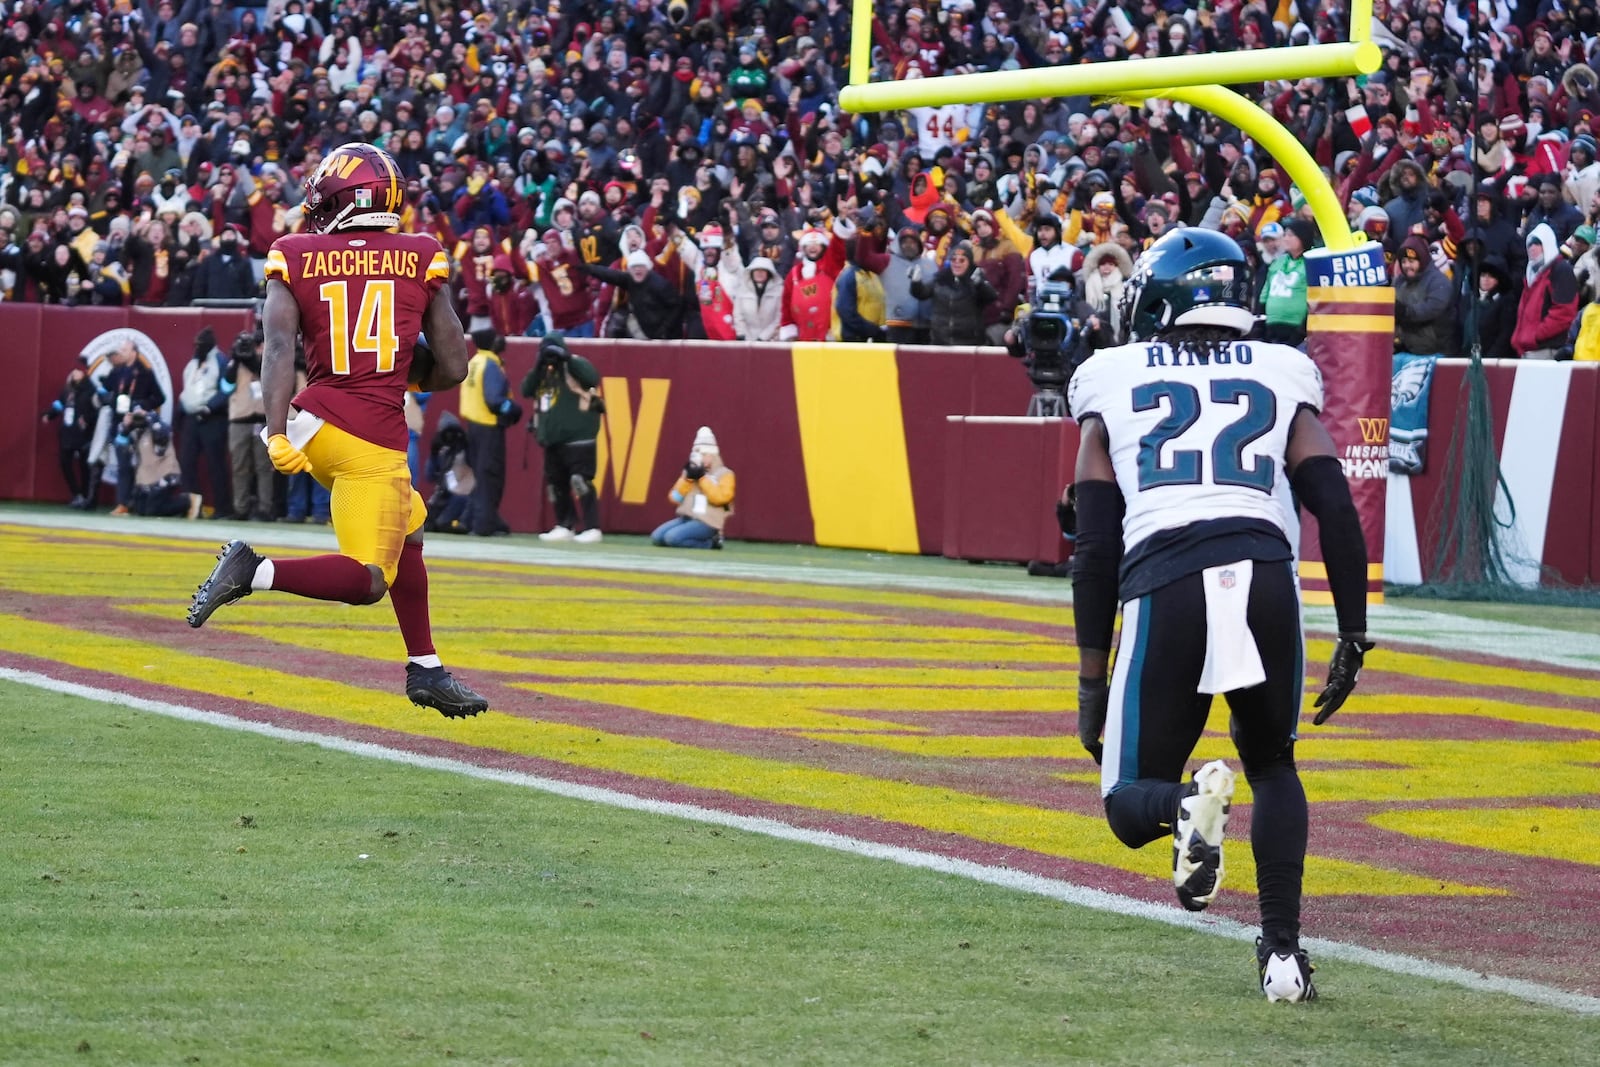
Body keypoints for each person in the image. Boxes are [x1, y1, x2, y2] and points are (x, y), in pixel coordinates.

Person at [1066, 228, 1375, 1003]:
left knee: (1127, 801)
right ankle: (1282, 955)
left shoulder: (1110, 375)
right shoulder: (1281, 369)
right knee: (1274, 763)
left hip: (1165, 577)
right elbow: (1333, 505)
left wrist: (1089, 677)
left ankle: (1184, 807)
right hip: (1266, 573)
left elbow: (1095, 546)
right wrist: (1353, 630)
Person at [187, 142, 489, 720]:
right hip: (367, 438)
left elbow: (278, 347)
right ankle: (255, 571)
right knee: (369, 578)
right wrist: (406, 365)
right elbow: (454, 366)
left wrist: (275, 431)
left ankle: (426, 668)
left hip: (313, 419)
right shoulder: (421, 254)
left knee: (411, 532)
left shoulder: (294, 253)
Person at [520, 332, 605, 543]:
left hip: (579, 437)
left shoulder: (574, 364)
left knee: (580, 481)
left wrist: (566, 357)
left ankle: (592, 527)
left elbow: (592, 378)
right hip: (552, 440)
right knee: (555, 484)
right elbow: (526, 389)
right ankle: (565, 524)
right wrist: (539, 365)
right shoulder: (543, 373)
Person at [459, 328, 521, 536]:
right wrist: (512, 408)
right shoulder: (491, 365)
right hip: (488, 427)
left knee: (480, 476)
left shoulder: (474, 362)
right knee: (490, 477)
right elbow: (494, 400)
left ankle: (479, 520)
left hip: (474, 427)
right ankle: (484, 525)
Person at [177, 326, 232, 520]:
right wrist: (181, 410)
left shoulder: (220, 360)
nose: (197, 348)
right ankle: (192, 506)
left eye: (201, 345)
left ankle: (222, 508)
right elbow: (188, 389)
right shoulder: (193, 363)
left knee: (215, 464)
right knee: (186, 461)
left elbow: (227, 387)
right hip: (192, 418)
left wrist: (211, 406)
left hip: (212, 417)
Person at [651, 426, 735, 549]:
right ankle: (691, 535)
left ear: (712, 455)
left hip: (708, 522)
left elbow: (720, 498)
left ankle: (712, 542)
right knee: (657, 537)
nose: (700, 457)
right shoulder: (691, 472)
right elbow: (675, 498)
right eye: (697, 453)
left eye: (704, 454)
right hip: (687, 518)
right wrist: (687, 479)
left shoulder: (725, 474)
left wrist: (702, 478)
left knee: (672, 538)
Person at [41, 354, 101, 509]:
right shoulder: (68, 388)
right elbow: (59, 404)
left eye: (78, 371)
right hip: (68, 432)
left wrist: (87, 419)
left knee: (84, 466)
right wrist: (49, 414)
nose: (75, 374)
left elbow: (97, 411)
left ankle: (86, 497)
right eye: (74, 371)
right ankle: (76, 494)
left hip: (83, 434)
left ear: (85, 372)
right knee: (64, 461)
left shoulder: (91, 390)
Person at [1261, 218, 1314, 347]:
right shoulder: (1278, 261)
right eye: (1285, 235)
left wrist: (1302, 329)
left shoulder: (1312, 262)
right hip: (1271, 327)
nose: (1286, 238)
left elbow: (1315, 297)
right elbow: (1265, 292)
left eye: (1290, 235)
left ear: (1303, 237)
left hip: (1296, 329)